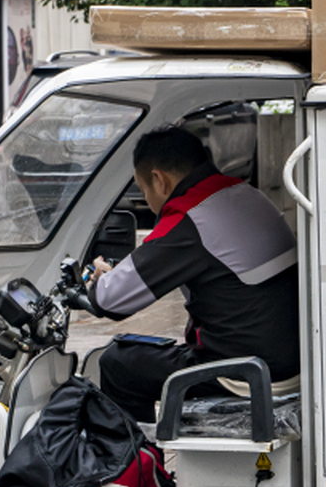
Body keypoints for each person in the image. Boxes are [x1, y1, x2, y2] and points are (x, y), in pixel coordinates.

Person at [87, 124, 300, 417]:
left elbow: (111, 301)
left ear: (159, 179)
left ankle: (135, 460)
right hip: (288, 361)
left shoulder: (191, 215)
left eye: (144, 189)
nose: (149, 203)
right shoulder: (242, 193)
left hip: (242, 372)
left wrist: (99, 278)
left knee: (118, 361)